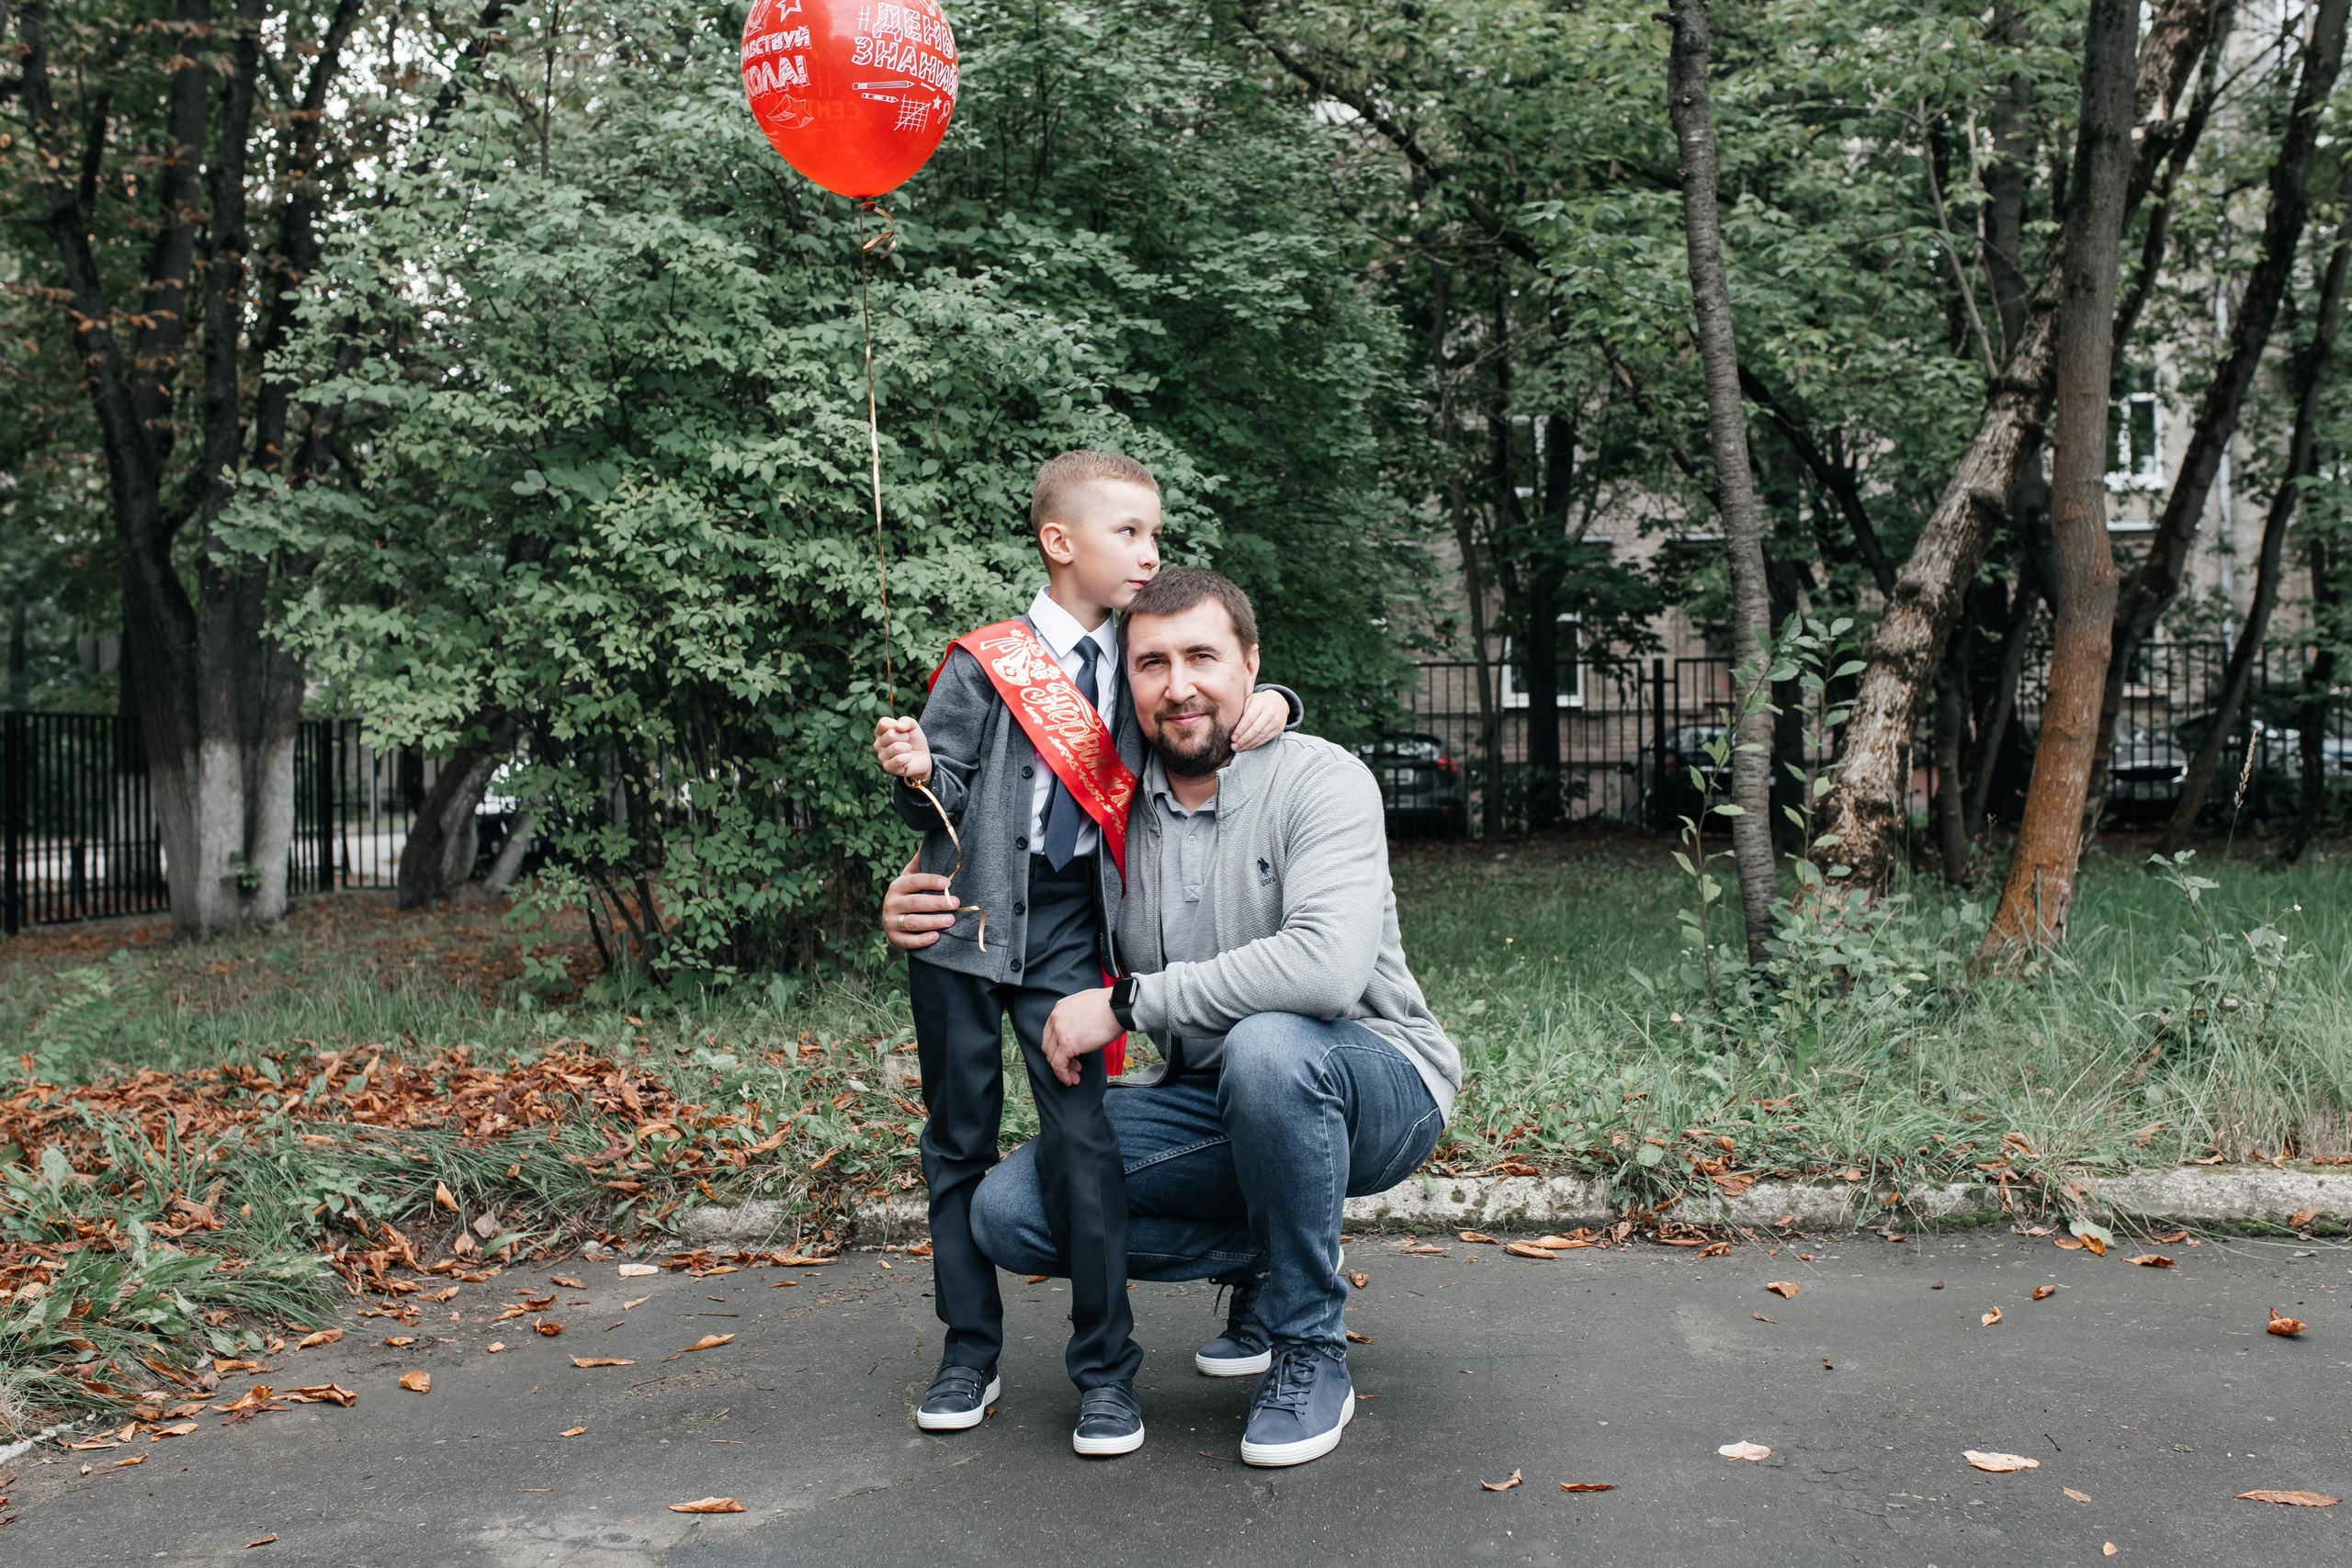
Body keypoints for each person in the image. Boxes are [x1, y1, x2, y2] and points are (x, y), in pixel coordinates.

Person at [882, 565, 1459, 1469]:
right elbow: (1009, 847)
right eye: (1152, 664)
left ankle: (1309, 1347)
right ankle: (1267, 1259)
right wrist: (918, 900)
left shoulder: (1322, 778)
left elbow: (1325, 972)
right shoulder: (1108, 808)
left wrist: (1126, 1003)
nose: (1179, 683)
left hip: (1373, 1078)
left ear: (1251, 666)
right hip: (1211, 1099)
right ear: (1125, 683)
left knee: (1268, 1047)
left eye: (1203, 657)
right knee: (1012, 1207)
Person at [870, 454, 1299, 1458]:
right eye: (1130, 535)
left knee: (1084, 1146)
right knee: (957, 1144)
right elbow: (940, 795)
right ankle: (967, 1352)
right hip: (960, 929)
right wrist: (917, 767)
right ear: (1059, 543)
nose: (1151, 554)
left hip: (1072, 932)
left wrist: (1277, 696)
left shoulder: (1144, 657)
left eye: (1155, 535)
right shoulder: (985, 662)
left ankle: (1106, 1372)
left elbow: (1204, 704)